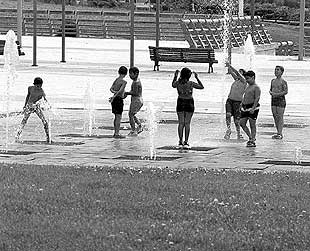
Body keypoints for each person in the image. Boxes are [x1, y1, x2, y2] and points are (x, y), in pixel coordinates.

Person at [172, 67, 204, 149]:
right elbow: (201, 87)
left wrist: (175, 76)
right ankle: (186, 142)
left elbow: (173, 85)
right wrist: (197, 77)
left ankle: (180, 141)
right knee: (187, 123)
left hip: (180, 102)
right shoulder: (191, 83)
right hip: (189, 102)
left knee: (181, 123)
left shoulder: (178, 83)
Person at [15, 77, 51, 143]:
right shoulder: (30, 88)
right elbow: (28, 96)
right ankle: (17, 136)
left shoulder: (41, 91)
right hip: (29, 106)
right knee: (24, 121)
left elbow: (44, 99)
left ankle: (48, 137)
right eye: (38, 85)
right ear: (34, 84)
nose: (39, 87)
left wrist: (48, 105)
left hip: (36, 107)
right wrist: (25, 105)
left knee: (44, 121)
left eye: (40, 85)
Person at [224, 63, 247, 140]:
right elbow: (231, 72)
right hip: (230, 100)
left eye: (241, 72)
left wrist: (230, 65)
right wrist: (228, 67)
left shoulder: (244, 81)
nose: (239, 73)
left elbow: (236, 72)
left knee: (236, 120)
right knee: (228, 115)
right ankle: (229, 129)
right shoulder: (236, 80)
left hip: (237, 102)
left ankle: (238, 133)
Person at [239, 70, 261, 147]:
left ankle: (253, 139)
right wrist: (241, 104)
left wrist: (253, 108)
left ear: (253, 77)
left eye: (248, 78)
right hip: (245, 107)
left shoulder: (256, 87)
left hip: (253, 107)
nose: (246, 80)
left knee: (252, 124)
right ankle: (250, 137)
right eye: (246, 78)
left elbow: (257, 98)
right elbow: (245, 96)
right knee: (242, 123)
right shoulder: (247, 86)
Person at [269, 65, 288, 139]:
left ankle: (280, 133)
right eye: (275, 70)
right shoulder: (273, 80)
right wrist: (271, 93)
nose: (276, 71)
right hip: (273, 99)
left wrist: (276, 94)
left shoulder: (283, 82)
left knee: (280, 116)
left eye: (278, 70)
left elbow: (285, 91)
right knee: (275, 115)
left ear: (282, 72)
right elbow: (271, 89)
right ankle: (278, 131)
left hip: (281, 99)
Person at [109, 66, 128, 138]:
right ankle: (117, 133)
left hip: (114, 100)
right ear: (126, 73)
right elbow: (120, 91)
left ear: (118, 72)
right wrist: (114, 96)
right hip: (118, 100)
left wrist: (114, 94)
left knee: (116, 117)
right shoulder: (124, 82)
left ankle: (115, 132)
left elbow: (111, 89)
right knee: (119, 117)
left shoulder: (116, 80)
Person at [124, 66, 143, 136]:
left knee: (130, 115)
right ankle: (139, 125)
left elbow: (135, 93)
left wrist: (126, 93)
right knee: (132, 114)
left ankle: (133, 130)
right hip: (138, 100)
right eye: (129, 74)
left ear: (136, 74)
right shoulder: (137, 80)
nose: (129, 75)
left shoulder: (135, 82)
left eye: (131, 74)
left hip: (136, 100)